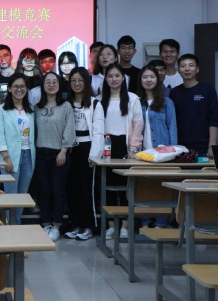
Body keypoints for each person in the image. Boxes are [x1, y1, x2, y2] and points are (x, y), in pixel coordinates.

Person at [100, 62, 144, 239]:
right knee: (108, 188)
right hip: (106, 146)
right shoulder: (99, 99)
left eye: (117, 76)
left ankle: (125, 226)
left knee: (126, 188)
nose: (114, 79)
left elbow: (138, 125)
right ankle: (111, 226)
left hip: (125, 147)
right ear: (105, 79)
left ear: (123, 78)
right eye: (110, 76)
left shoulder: (132, 99)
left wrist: (133, 148)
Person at [64, 67, 104, 241]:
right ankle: (75, 224)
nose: (77, 84)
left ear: (86, 82)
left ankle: (88, 226)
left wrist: (94, 155)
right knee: (71, 188)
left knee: (87, 189)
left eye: (80, 80)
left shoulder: (95, 104)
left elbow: (98, 131)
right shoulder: (66, 103)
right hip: (70, 148)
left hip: (87, 148)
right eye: (73, 81)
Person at [34, 72, 75, 241]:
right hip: (40, 153)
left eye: (54, 82)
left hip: (59, 153)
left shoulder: (66, 106)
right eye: (48, 82)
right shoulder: (36, 107)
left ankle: (57, 226)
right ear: (43, 86)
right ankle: (45, 224)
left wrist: (64, 151)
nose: (51, 85)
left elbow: (70, 129)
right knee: (44, 191)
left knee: (58, 190)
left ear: (59, 85)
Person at [0, 73, 36, 225]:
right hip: (10, 157)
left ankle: (16, 225)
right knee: (10, 194)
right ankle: (7, 227)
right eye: (16, 86)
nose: (19, 89)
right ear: (10, 89)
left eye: (22, 86)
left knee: (22, 195)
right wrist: (6, 157)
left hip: (28, 156)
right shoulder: (1, 109)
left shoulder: (31, 110)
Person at [169, 54, 218, 157]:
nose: (187, 69)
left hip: (203, 145)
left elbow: (213, 118)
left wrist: (211, 146)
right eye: (183, 66)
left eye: (191, 65)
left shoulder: (208, 90)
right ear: (178, 70)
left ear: (197, 69)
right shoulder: (174, 92)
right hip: (179, 146)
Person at [137, 65, 177, 150]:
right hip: (141, 152)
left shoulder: (166, 102)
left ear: (157, 79)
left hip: (162, 150)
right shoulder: (136, 102)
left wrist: (173, 150)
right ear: (140, 80)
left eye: (152, 77)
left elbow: (172, 128)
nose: (149, 80)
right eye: (145, 77)